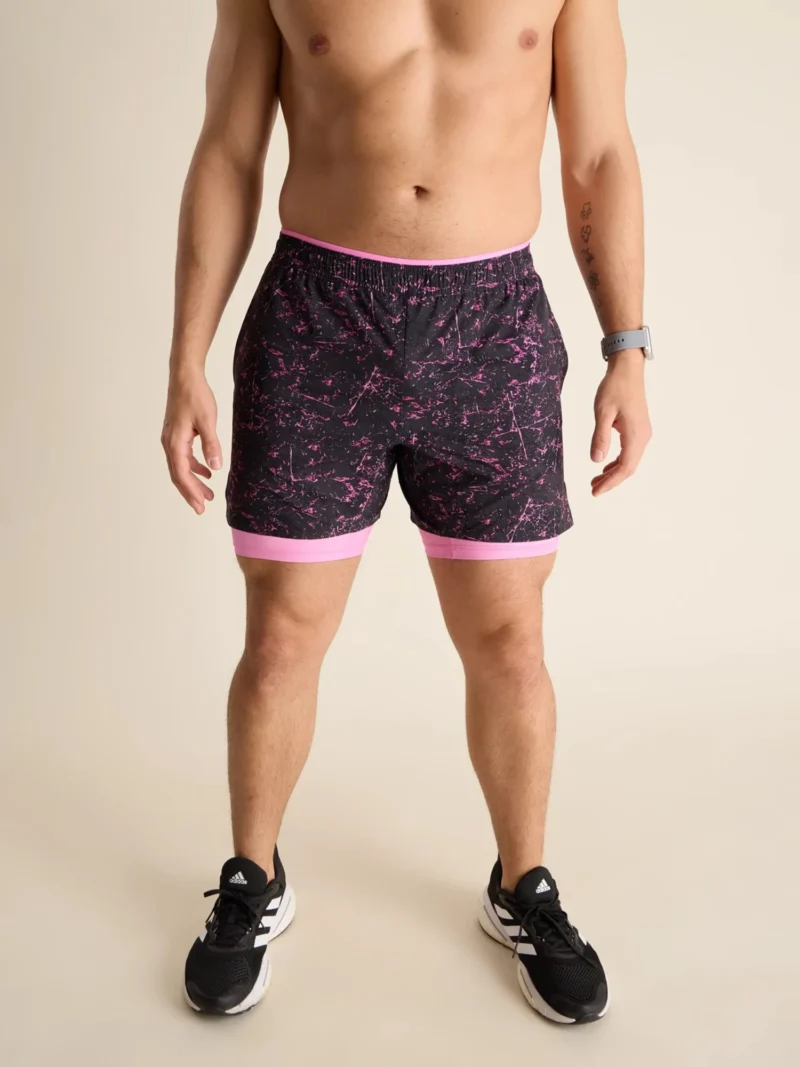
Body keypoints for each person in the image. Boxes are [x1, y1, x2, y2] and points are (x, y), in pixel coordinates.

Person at [163, 0, 652, 1024]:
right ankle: (252, 875)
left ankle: (522, 885)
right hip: (316, 318)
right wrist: (185, 358)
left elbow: (599, 152)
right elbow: (228, 148)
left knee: (511, 639)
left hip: (492, 327)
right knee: (281, 635)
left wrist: (627, 348)